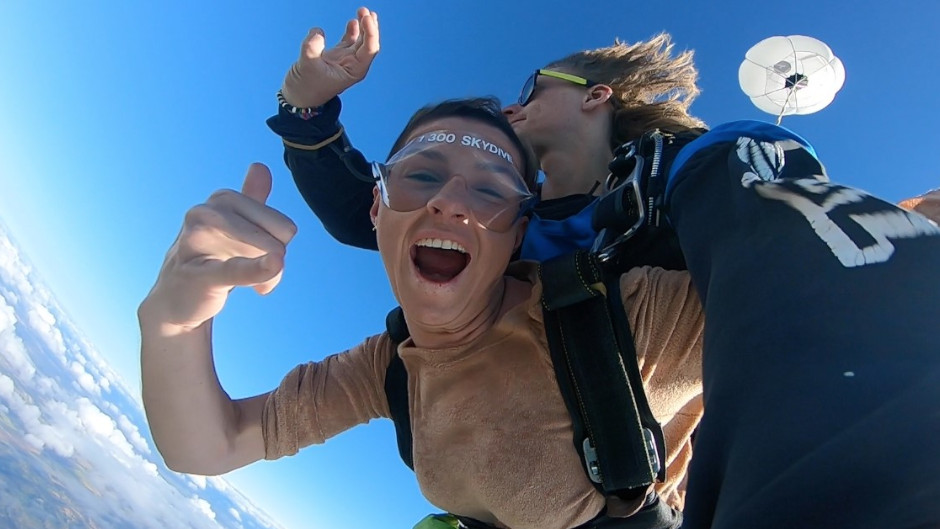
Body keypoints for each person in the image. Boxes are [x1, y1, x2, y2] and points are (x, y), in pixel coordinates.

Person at [269, 10, 940, 528]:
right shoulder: (509, 218)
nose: (509, 105)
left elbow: (781, 246)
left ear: (596, 96)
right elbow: (376, 210)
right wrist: (307, 113)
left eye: (533, 86)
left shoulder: (689, 172)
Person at [139, 97, 705, 529]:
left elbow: (788, 336)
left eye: (491, 191)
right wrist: (173, 321)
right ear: (376, 207)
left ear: (518, 234)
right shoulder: (386, 369)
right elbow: (208, 444)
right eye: (423, 175)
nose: (451, 201)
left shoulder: (632, 319)